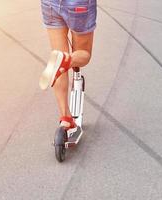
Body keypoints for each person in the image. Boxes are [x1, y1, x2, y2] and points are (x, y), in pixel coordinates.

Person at [39, 0, 97, 140]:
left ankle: (66, 118)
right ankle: (67, 60)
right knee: (84, 54)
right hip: (78, 4)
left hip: (50, 3)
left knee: (58, 54)